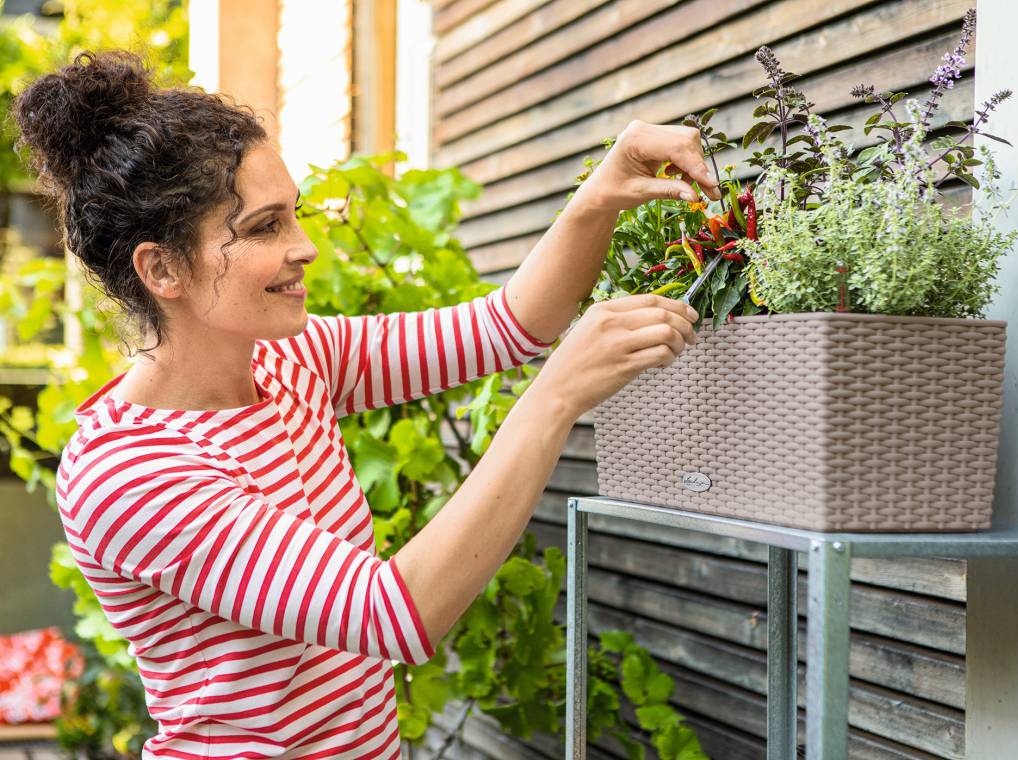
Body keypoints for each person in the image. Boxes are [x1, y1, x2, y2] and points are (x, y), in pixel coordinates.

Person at [13, 50, 720, 758]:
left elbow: (508, 326)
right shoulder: (129, 470)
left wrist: (601, 191)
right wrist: (558, 394)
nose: (306, 247)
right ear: (162, 267)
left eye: (296, 216)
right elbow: (393, 614)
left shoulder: (291, 360)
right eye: (264, 228)